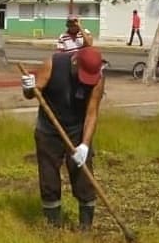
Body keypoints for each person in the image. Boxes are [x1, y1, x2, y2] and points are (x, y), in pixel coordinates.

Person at [21, 47, 106, 229]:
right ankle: (53, 226)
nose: (85, 81)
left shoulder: (98, 78)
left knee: (83, 177)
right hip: (48, 130)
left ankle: (85, 227)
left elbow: (92, 113)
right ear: (75, 62)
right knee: (49, 177)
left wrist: (84, 145)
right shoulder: (53, 64)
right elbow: (31, 94)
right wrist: (28, 88)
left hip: (77, 130)